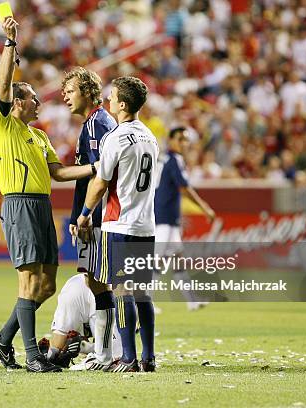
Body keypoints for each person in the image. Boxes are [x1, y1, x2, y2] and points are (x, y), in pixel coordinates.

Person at [0, 17, 95, 373]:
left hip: (42, 205)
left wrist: (99, 168)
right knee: (28, 280)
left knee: (47, 283)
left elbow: (59, 173)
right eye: (34, 100)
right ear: (17, 102)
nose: (40, 105)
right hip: (19, 203)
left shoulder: (39, 136)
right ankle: (33, 356)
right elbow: (4, 82)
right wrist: (10, 43)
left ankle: (2, 340)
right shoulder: (3, 124)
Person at [77, 76, 159, 373]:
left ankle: (128, 358)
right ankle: (148, 357)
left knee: (122, 290)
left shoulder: (116, 137)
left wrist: (85, 213)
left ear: (123, 105)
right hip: (146, 226)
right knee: (142, 292)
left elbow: (101, 183)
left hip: (120, 224)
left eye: (112, 97)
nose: (108, 101)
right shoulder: (150, 137)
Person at [61, 66, 118, 370]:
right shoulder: (91, 124)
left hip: (102, 216)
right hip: (97, 215)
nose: (65, 97)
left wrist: (86, 216)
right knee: (95, 280)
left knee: (99, 282)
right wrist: (75, 215)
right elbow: (86, 177)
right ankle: (105, 351)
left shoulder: (98, 124)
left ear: (86, 90)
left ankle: (105, 354)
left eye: (70, 91)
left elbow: (102, 174)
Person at [155, 127, 215, 310]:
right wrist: (204, 207)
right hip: (164, 218)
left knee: (177, 260)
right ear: (171, 140)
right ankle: (144, 302)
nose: (184, 143)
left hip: (165, 216)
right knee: (156, 261)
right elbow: (184, 188)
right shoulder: (175, 159)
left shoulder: (164, 159)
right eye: (180, 139)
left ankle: (191, 300)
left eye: (186, 139)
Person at [39, 273, 123, 369]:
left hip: (80, 286)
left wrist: (80, 348)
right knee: (114, 354)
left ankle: (81, 347)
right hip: (109, 287)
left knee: (54, 355)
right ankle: (82, 347)